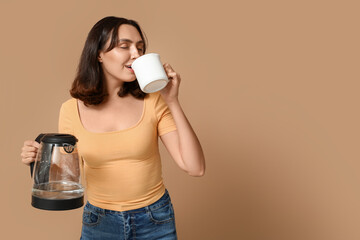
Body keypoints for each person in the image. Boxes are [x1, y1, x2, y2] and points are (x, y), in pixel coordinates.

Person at [20, 16, 205, 239]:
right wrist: (41, 158)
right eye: (124, 46)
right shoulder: (71, 110)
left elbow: (195, 167)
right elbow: (70, 176)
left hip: (155, 219)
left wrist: (172, 100)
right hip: (99, 222)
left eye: (140, 47)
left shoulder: (154, 101)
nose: (136, 54)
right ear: (99, 54)